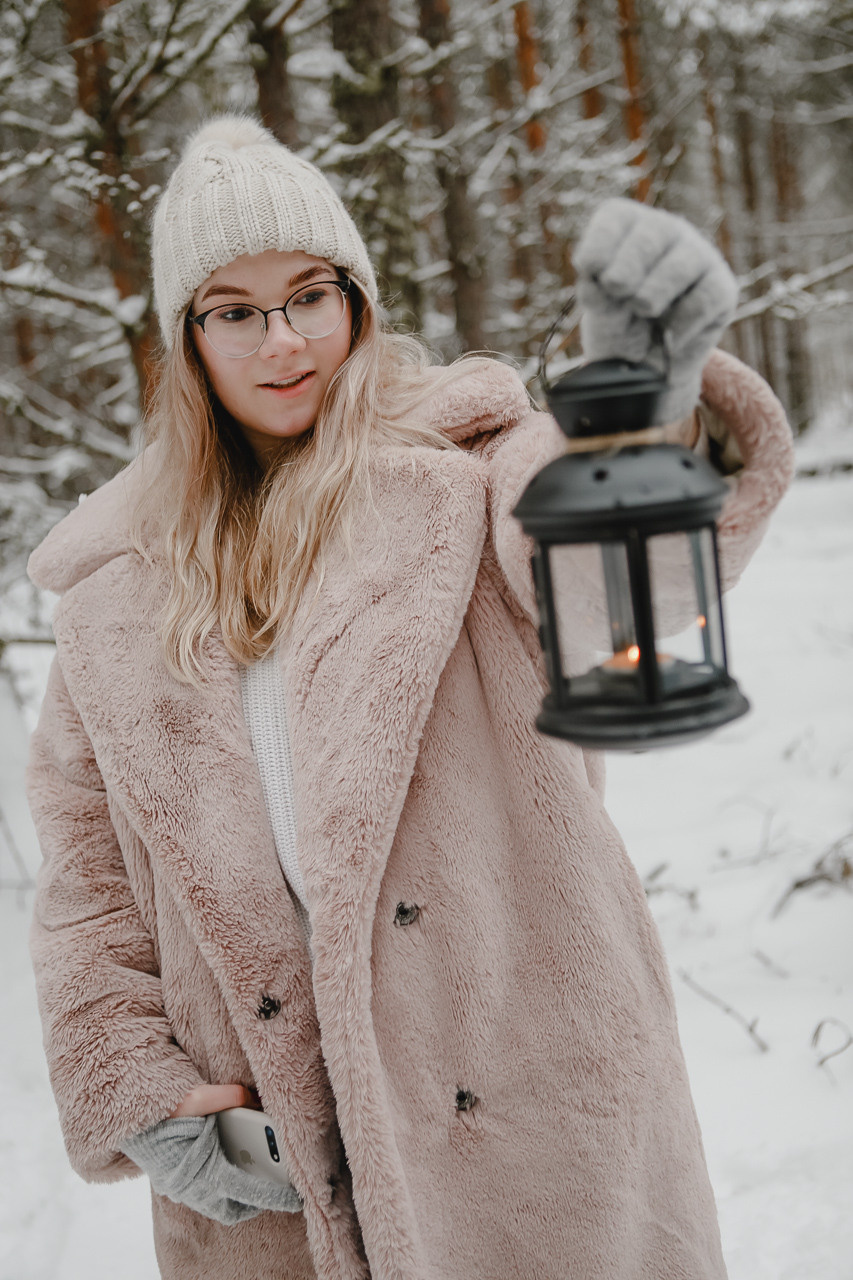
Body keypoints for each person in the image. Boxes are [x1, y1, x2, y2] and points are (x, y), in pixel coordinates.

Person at [25, 115, 795, 1280]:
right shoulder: (113, 596)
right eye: (233, 309)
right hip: (269, 1172)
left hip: (532, 1141)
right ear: (187, 340)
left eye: (309, 296)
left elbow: (608, 586)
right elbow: (86, 896)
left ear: (358, 302)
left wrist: (646, 417)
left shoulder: (472, 482)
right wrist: (144, 1092)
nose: (281, 339)